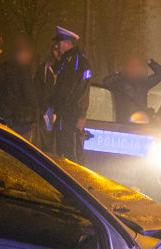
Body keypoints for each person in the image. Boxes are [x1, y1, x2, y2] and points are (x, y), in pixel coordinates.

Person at [50, 26, 91, 162]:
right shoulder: (69, 59)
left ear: (67, 43)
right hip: (68, 113)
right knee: (65, 148)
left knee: (69, 151)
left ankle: (73, 180)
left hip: (70, 114)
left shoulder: (75, 61)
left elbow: (70, 88)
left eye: (59, 43)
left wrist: (59, 108)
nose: (57, 46)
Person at [0, 34, 37, 139]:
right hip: (20, 124)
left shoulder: (2, 69)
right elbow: (30, 97)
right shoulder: (23, 72)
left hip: (3, 122)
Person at [103, 56, 161, 123]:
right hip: (123, 121)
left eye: (137, 66)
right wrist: (121, 74)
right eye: (131, 66)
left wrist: (151, 62)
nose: (134, 69)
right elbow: (106, 81)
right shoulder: (120, 83)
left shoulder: (143, 83)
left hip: (141, 120)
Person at [33, 42, 60, 152]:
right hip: (47, 112)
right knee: (47, 145)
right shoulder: (44, 68)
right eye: (54, 49)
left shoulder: (67, 67)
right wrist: (44, 109)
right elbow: (37, 89)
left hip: (62, 112)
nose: (56, 53)